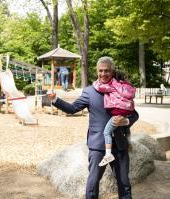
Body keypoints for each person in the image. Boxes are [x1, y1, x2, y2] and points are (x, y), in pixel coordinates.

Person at [47, 56, 139, 199]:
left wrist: (126, 121)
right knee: (92, 183)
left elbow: (134, 115)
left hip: (120, 144)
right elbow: (72, 108)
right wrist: (54, 99)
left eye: (107, 71)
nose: (103, 74)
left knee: (124, 183)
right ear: (97, 71)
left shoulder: (122, 89)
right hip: (98, 146)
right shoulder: (89, 92)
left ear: (112, 71)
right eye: (100, 71)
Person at [93, 71, 136, 167]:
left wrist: (96, 82)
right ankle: (129, 142)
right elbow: (131, 96)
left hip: (117, 112)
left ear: (114, 78)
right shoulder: (128, 86)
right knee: (125, 127)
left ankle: (108, 155)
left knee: (106, 132)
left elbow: (100, 87)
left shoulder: (114, 84)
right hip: (126, 110)